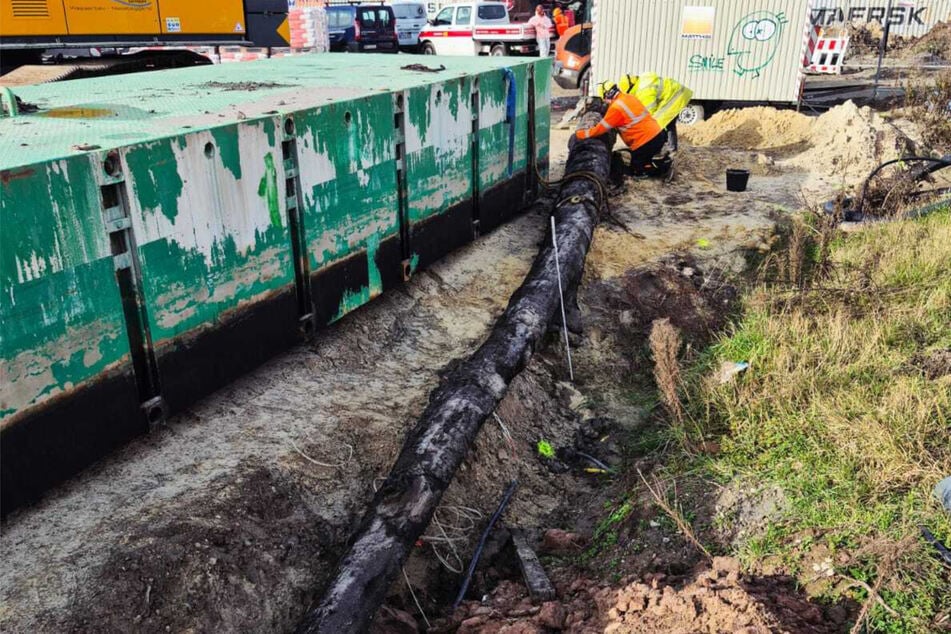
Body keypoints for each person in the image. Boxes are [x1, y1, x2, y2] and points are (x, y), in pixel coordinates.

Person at [575, 81, 667, 179]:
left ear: (607, 95)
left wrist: (582, 134)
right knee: (643, 159)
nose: (605, 101)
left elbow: (600, 129)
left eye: (604, 99)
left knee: (635, 170)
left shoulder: (616, 108)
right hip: (658, 134)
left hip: (645, 141)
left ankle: (663, 169)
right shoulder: (629, 97)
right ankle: (657, 163)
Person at [618, 72, 692, 152]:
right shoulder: (641, 82)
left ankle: (667, 149)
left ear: (630, 88)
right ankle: (670, 148)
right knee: (668, 124)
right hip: (677, 93)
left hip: (676, 97)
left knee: (660, 123)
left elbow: (650, 112)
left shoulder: (644, 91)